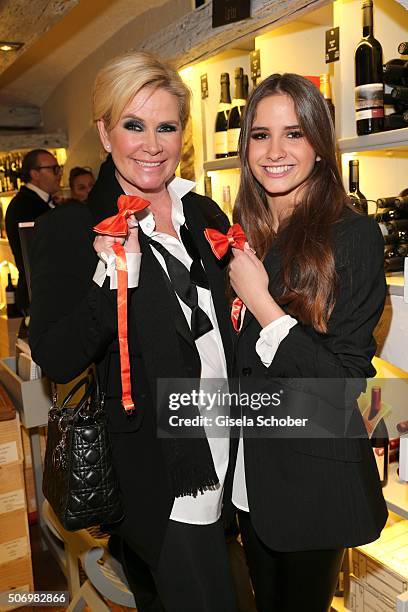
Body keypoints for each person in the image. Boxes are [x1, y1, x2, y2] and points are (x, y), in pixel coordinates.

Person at [29, 52, 237, 612]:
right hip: (162, 467)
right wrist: (110, 282)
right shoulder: (69, 231)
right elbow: (57, 356)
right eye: (133, 125)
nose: (151, 144)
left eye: (165, 127)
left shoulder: (205, 216)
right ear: (104, 131)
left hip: (236, 448)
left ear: (182, 134)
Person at [227, 73, 388, 612]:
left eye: (293, 134)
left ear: (319, 145)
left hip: (311, 481)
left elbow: (342, 388)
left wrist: (264, 307)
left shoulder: (353, 235)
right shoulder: (244, 231)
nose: (274, 152)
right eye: (260, 134)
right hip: (249, 479)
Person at [5, 149, 62, 313]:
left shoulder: (40, 203)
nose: (58, 174)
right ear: (35, 174)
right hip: (39, 296)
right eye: (53, 169)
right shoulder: (24, 206)